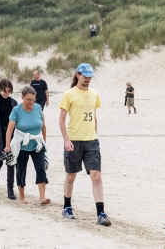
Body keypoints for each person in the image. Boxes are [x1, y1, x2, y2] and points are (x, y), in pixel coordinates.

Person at [59, 63, 111, 226]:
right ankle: (67, 206)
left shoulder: (95, 94)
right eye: (85, 76)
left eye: (90, 76)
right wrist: (66, 140)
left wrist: (95, 134)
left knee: (96, 175)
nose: (88, 79)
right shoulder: (69, 94)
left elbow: (94, 116)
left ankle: (101, 213)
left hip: (91, 141)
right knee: (71, 175)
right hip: (74, 140)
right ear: (77, 75)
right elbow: (61, 119)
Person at [5, 86, 49, 204]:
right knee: (21, 170)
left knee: (40, 168)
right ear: (22, 97)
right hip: (22, 145)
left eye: (33, 99)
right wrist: (7, 146)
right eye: (28, 99)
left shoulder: (38, 107)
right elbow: (9, 130)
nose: (31, 102)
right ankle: (22, 197)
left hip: (37, 144)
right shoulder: (17, 110)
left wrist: (44, 142)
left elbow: (43, 126)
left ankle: (42, 197)